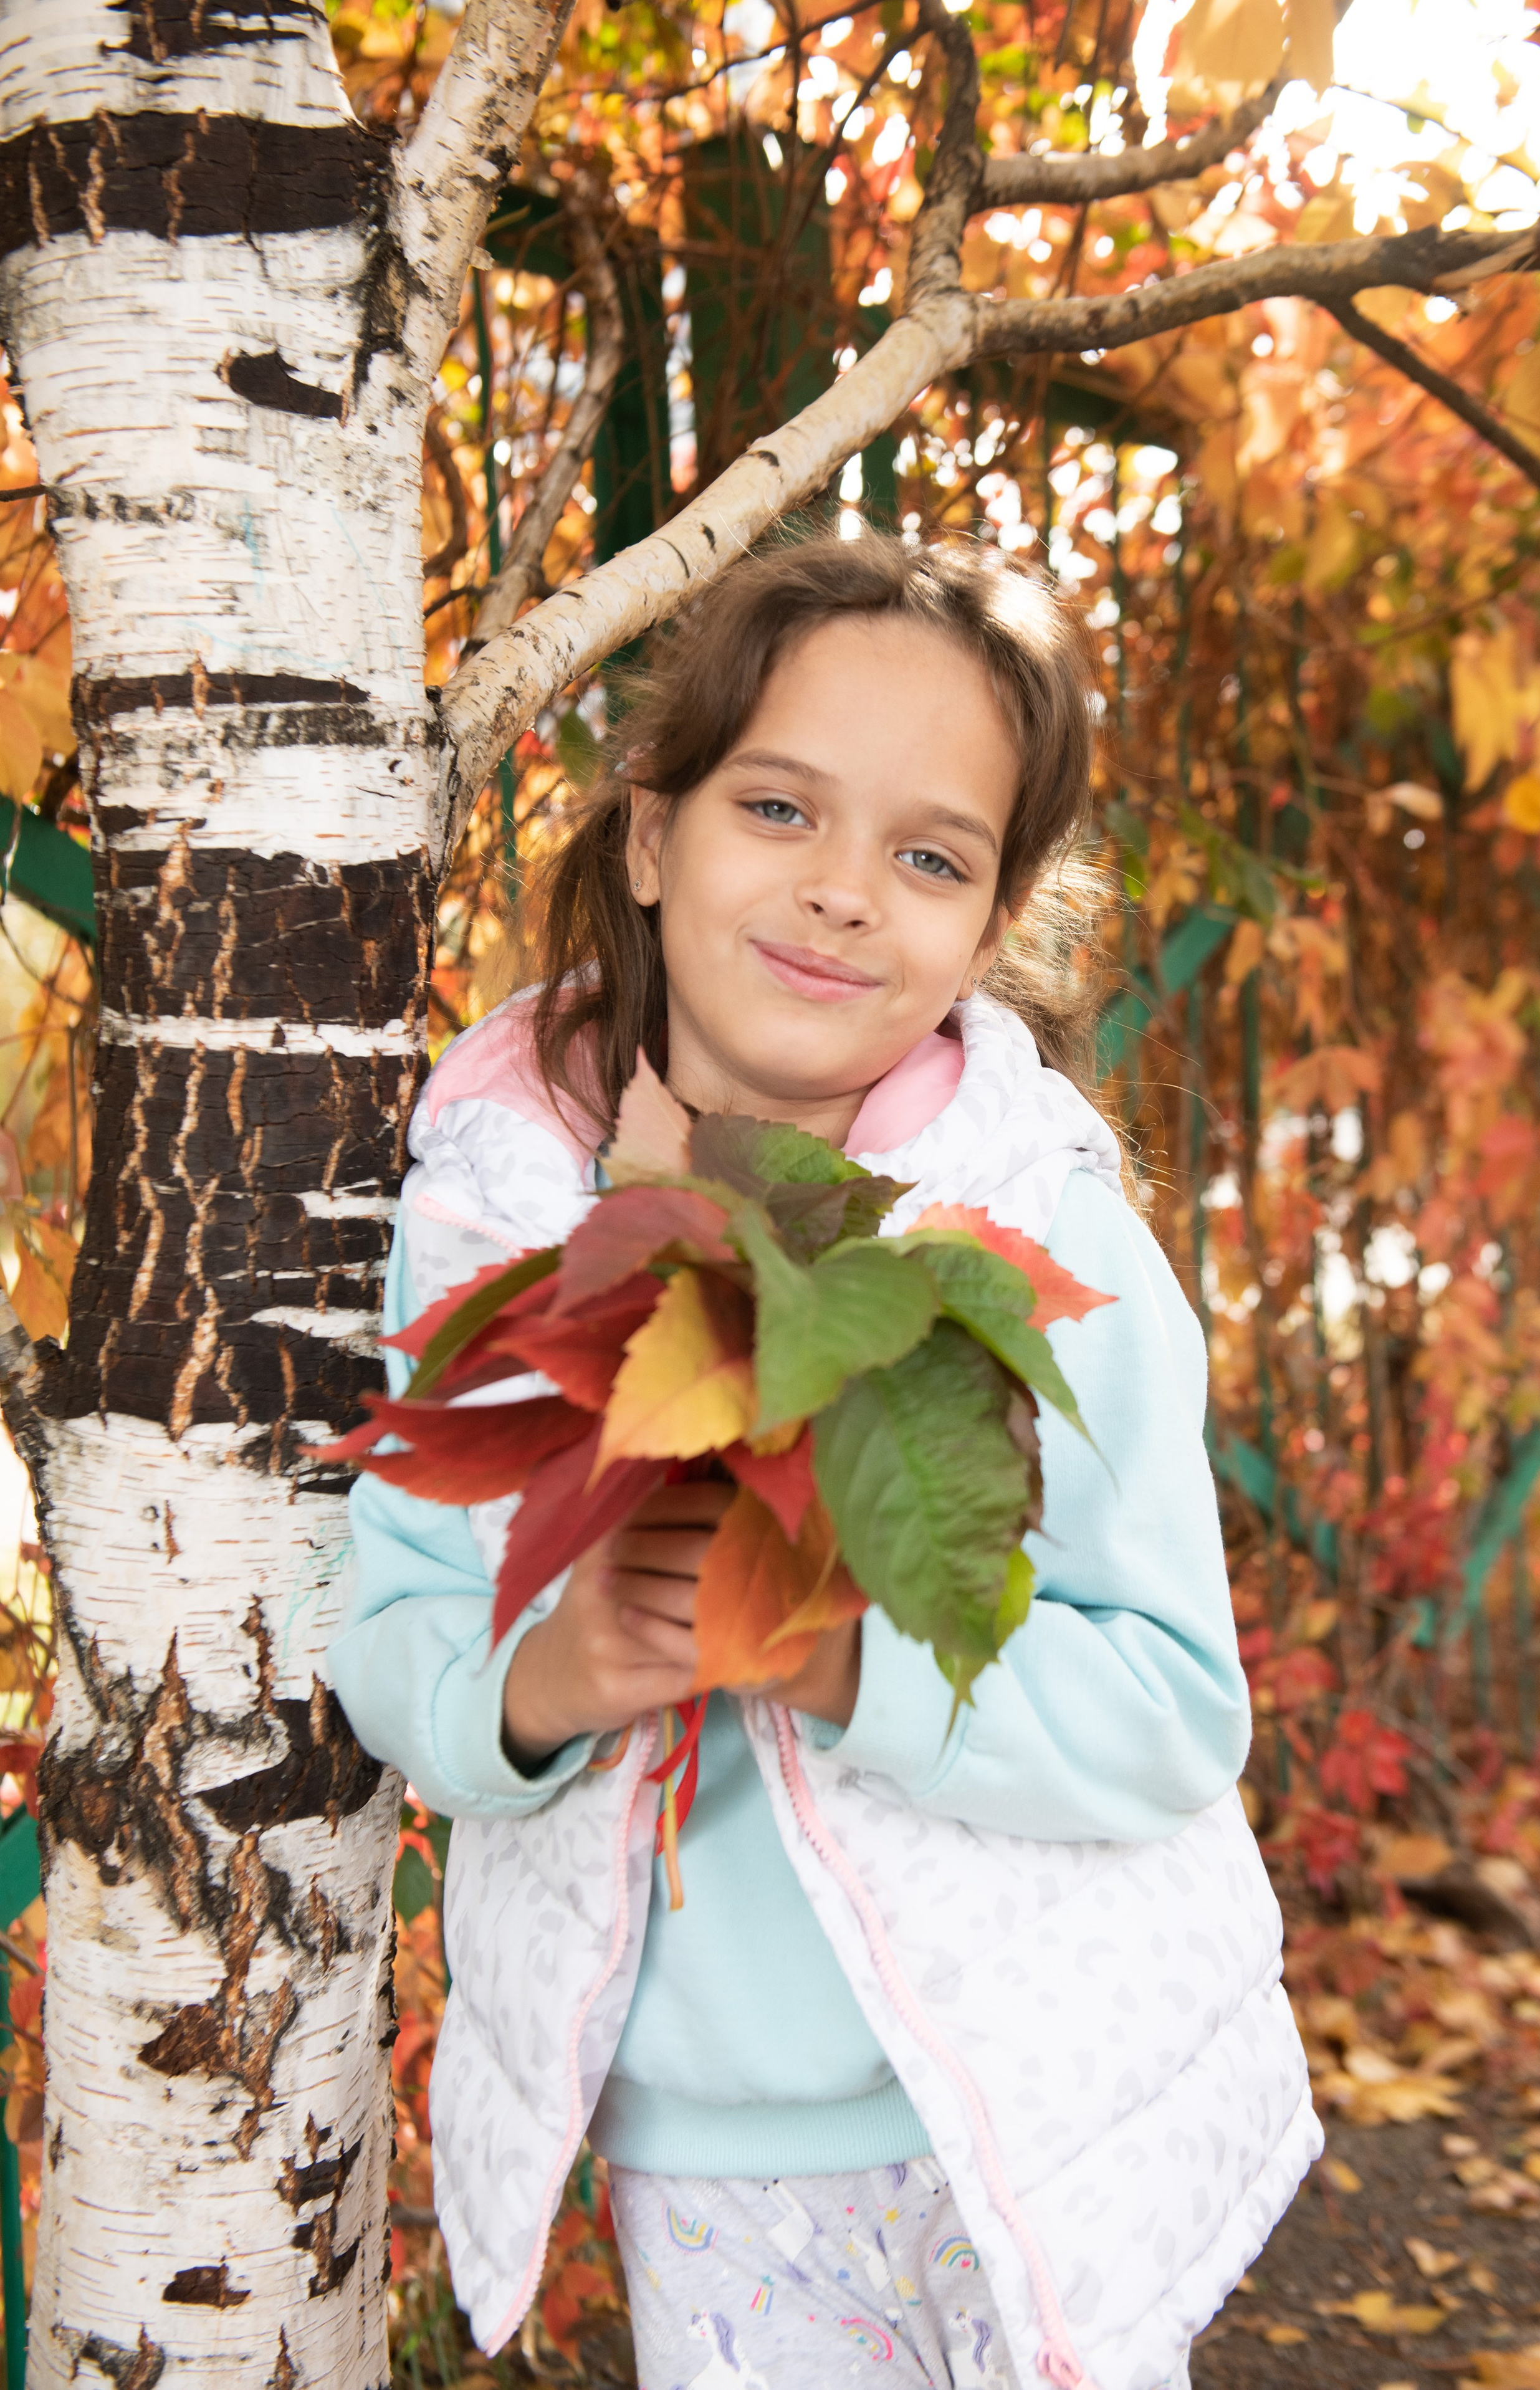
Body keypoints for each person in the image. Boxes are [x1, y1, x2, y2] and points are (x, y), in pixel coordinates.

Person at [329, 528, 1320, 2390]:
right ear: (651, 834)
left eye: (929, 857)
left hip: (1024, 2113)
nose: (844, 892)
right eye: (779, 807)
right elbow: (397, 1620)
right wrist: (542, 1681)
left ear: (990, 928)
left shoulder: (1031, 1230)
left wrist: (849, 1653)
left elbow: (1175, 1707)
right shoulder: (495, 1204)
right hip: (709, 2168)